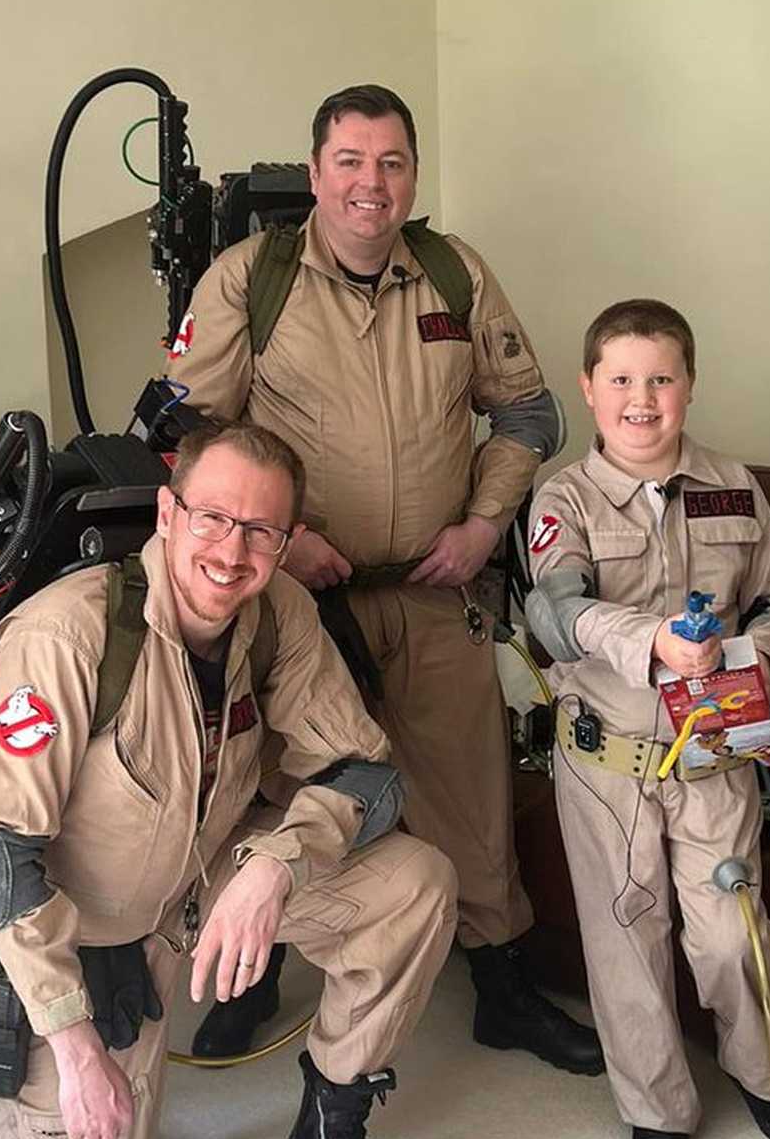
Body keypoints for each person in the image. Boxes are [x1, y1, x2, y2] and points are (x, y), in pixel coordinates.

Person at [0, 423, 470, 1139]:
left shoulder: (280, 613)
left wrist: (276, 865)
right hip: (85, 926)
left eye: (262, 530)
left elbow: (367, 775)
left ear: (288, 540)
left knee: (418, 881)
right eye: (213, 519)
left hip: (209, 880)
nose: (233, 551)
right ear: (167, 512)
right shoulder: (67, 633)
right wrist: (72, 1043)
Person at [166, 83, 600, 1075]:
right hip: (294, 604)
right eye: (350, 162)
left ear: (412, 175)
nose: (371, 183)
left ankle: (501, 987)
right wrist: (287, 537)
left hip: (436, 589)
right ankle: (254, 977)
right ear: (316, 173)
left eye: (392, 162)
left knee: (472, 794)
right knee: (281, 789)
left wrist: (486, 521)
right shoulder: (248, 280)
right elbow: (190, 432)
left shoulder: (454, 273)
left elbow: (530, 415)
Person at [523, 299, 770, 1139]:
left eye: (660, 378)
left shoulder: (734, 485)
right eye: (620, 379)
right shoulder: (562, 498)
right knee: (628, 939)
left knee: (734, 933)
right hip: (608, 760)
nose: (640, 398)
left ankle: (763, 1077)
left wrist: (761, 655)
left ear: (689, 387)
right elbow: (555, 611)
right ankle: (656, 1110)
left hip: (714, 757)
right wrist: (647, 641)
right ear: (589, 388)